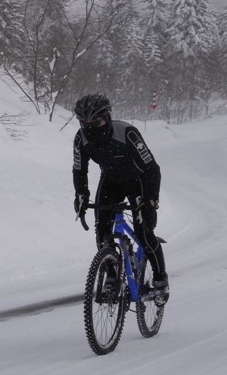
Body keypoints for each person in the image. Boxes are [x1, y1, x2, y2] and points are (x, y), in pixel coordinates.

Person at [72, 93, 169, 304]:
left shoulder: (127, 133)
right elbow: (79, 170)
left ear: (107, 117)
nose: (90, 128)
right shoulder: (81, 138)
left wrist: (150, 200)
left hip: (139, 181)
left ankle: (161, 279)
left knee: (144, 232)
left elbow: (152, 168)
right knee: (102, 232)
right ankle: (111, 276)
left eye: (95, 122)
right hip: (111, 181)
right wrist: (81, 195)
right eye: (84, 123)